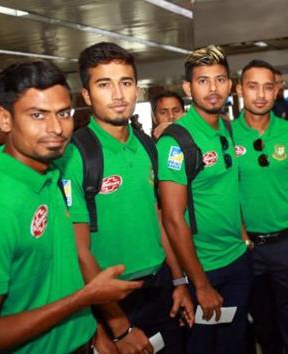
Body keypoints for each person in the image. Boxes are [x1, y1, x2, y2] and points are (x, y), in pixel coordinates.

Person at [0, 60, 141, 354]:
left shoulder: (51, 172)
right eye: (37, 115)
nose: (56, 128)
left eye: (63, 114)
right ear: (4, 119)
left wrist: (94, 333)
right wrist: (84, 299)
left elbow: (62, 272)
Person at [58, 42, 193, 354]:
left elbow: (157, 217)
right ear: (87, 95)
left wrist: (178, 281)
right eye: (104, 84)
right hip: (110, 300)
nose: (118, 95)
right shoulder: (75, 156)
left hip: (159, 287)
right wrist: (118, 327)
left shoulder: (148, 146)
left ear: (137, 89)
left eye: (126, 82)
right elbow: (78, 251)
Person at [157, 45, 253, 354]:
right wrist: (199, 284)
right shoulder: (176, 140)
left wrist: (243, 235)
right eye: (203, 80)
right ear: (188, 87)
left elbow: (229, 187)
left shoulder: (226, 126)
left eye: (220, 79)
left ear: (230, 84)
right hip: (204, 268)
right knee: (203, 347)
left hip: (238, 260)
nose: (213, 89)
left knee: (235, 343)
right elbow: (172, 219)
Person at [234, 59, 288, 354]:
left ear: (277, 89)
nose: (260, 94)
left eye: (268, 87)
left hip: (286, 242)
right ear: (240, 89)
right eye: (253, 86)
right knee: (263, 323)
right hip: (246, 248)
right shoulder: (226, 135)